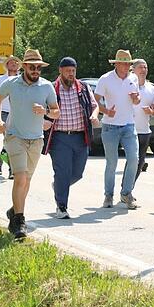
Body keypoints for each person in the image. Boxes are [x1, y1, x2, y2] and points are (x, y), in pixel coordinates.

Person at [0, 49, 60, 239]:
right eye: (32, 67)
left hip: (36, 139)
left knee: (27, 181)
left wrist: (46, 111)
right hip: (14, 136)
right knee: (20, 178)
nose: (35, 70)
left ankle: (14, 211)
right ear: (24, 66)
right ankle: (19, 223)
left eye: (38, 67)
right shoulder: (11, 84)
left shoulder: (46, 87)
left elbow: (56, 112)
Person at [42, 57, 99, 219]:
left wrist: (94, 116)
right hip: (59, 138)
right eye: (68, 71)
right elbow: (43, 109)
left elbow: (94, 106)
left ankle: (59, 186)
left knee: (77, 173)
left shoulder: (83, 88)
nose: (71, 74)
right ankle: (61, 206)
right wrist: (45, 121)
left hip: (81, 137)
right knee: (62, 171)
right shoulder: (52, 89)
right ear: (60, 71)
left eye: (73, 71)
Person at [94, 49, 142, 209]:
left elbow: (136, 99)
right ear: (117, 64)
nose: (126, 66)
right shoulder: (105, 79)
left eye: (128, 63)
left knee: (134, 159)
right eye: (123, 63)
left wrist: (136, 99)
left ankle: (126, 193)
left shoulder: (133, 77)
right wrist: (106, 111)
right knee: (112, 163)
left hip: (129, 125)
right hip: (110, 126)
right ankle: (108, 195)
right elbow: (95, 102)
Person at [131, 59, 154, 180]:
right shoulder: (128, 86)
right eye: (141, 67)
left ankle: (128, 188)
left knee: (140, 162)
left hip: (144, 131)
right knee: (133, 160)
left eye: (145, 67)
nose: (143, 70)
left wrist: (151, 111)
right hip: (129, 130)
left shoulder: (152, 89)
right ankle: (126, 189)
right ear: (133, 70)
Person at [0, 55, 20, 179]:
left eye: (16, 62)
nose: (14, 64)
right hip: (4, 113)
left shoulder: (22, 80)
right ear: (7, 65)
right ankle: (12, 170)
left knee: (12, 142)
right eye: (11, 62)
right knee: (10, 141)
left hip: (18, 114)